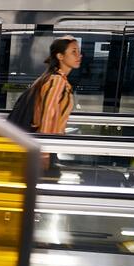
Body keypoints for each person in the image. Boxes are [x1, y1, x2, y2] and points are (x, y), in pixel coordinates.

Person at [32, 36, 82, 168]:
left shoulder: (57, 78)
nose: (79, 55)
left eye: (79, 51)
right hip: (47, 145)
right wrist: (45, 154)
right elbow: (48, 116)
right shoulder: (57, 80)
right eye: (73, 52)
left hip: (49, 143)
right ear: (60, 56)